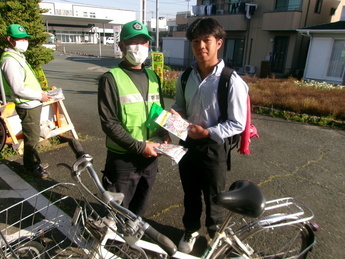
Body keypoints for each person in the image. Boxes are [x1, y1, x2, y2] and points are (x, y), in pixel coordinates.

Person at [171, 18, 249, 253]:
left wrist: (207, 132)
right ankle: (191, 229)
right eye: (196, 41)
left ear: (219, 43)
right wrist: (176, 116)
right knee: (190, 193)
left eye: (207, 40)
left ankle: (216, 235)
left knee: (215, 197)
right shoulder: (185, 77)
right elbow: (180, 104)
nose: (201, 46)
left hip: (214, 147)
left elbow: (238, 123)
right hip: (187, 143)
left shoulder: (231, 81)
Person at [98, 20, 170, 217]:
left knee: (140, 206)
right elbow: (109, 123)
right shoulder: (111, 79)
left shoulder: (153, 76)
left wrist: (164, 133)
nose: (140, 47)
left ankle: (131, 241)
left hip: (150, 156)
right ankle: (110, 244)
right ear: (121, 46)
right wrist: (140, 147)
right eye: (133, 42)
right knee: (116, 211)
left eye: (144, 42)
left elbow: (159, 111)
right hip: (123, 159)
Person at [0, 24, 50, 179]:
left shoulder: (17, 57)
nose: (24, 41)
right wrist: (39, 96)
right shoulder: (10, 61)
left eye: (25, 38)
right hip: (27, 104)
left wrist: (40, 93)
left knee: (33, 137)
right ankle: (31, 167)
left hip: (32, 103)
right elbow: (18, 88)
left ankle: (35, 162)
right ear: (10, 39)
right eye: (20, 38)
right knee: (32, 138)